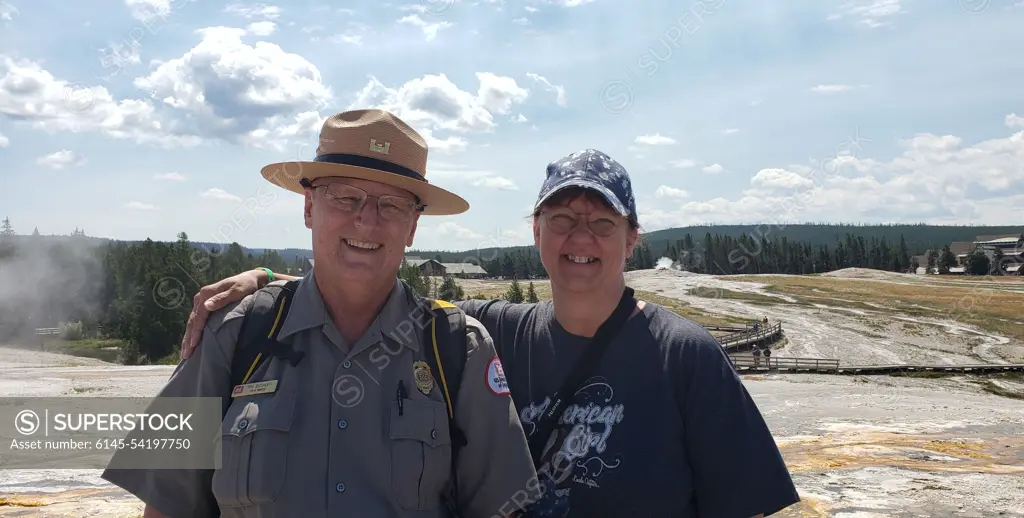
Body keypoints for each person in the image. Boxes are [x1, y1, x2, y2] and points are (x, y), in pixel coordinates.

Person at [181, 148, 801, 517]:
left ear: (633, 238)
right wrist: (268, 281)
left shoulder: (685, 356)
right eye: (562, 219)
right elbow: (374, 290)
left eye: (601, 222)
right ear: (535, 232)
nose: (579, 238)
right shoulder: (486, 335)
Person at [101, 109, 538, 518]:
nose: (367, 220)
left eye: (392, 205)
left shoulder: (457, 347)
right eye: (346, 197)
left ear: (413, 227)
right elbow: (166, 505)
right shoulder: (233, 333)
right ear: (310, 208)